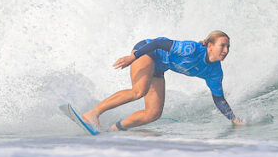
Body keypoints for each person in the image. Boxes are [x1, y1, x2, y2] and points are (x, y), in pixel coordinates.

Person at [81, 31, 243, 131]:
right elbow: (159, 42)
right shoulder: (191, 49)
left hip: (159, 68)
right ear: (209, 46)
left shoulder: (215, 72)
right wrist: (133, 57)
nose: (226, 50)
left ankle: (116, 128)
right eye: (222, 46)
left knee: (153, 113)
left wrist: (234, 120)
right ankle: (92, 114)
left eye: (228, 47)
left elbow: (219, 99)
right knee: (139, 90)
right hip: (148, 51)